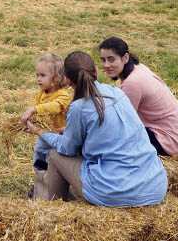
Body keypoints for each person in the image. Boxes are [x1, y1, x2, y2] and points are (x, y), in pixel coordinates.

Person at [26, 51, 168, 206]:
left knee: (55, 155)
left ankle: (52, 209)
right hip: (155, 186)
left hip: (114, 192)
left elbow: (67, 148)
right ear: (96, 72)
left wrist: (39, 131)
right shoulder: (117, 92)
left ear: (66, 80)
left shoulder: (78, 108)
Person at [98, 37, 178, 157]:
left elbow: (119, 123)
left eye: (111, 59)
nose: (106, 65)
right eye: (103, 60)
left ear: (125, 58)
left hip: (169, 144)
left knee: (108, 142)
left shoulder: (133, 83)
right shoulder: (138, 68)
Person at [20, 53, 71, 199]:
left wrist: (35, 109)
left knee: (53, 162)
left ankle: (55, 186)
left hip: (57, 138)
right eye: (37, 75)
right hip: (42, 136)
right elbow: (38, 114)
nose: (38, 79)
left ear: (56, 78)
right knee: (39, 159)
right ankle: (40, 181)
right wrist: (32, 124)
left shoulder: (63, 96)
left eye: (43, 75)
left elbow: (54, 107)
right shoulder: (41, 93)